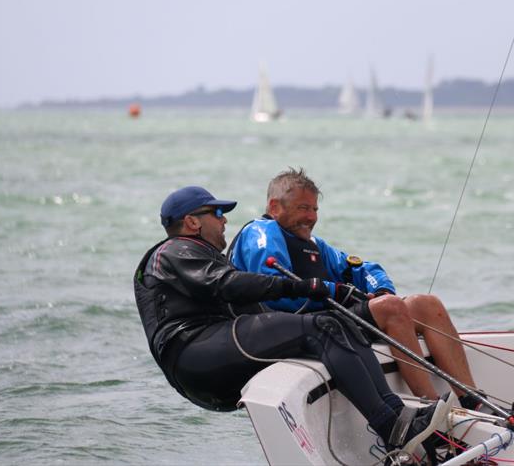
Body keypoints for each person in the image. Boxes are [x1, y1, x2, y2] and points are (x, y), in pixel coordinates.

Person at [133, 185, 451, 455]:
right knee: (323, 328)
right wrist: (302, 286)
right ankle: (390, 425)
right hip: (194, 353)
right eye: (216, 214)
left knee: (333, 323)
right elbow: (229, 284)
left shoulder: (196, 252)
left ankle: (399, 418)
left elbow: (246, 306)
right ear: (191, 222)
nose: (224, 220)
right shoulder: (174, 251)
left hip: (214, 349)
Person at [229, 168, 484, 409]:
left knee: (425, 304)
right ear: (274, 207)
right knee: (392, 308)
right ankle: (430, 404)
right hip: (296, 328)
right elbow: (274, 287)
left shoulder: (316, 245)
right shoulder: (261, 232)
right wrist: (336, 291)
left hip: (329, 319)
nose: (311, 217)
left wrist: (382, 290)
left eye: (315, 209)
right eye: (303, 208)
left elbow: (365, 269)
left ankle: (471, 399)